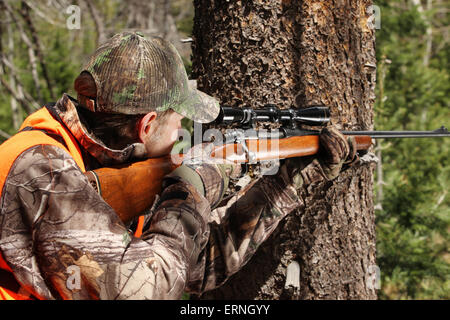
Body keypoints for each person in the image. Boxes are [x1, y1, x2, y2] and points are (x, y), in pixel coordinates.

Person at [0, 32, 357, 300]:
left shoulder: (121, 163)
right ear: (147, 125)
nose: (183, 132)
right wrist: (190, 189)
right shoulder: (39, 170)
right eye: (179, 120)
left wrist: (282, 182)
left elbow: (197, 266)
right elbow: (145, 288)